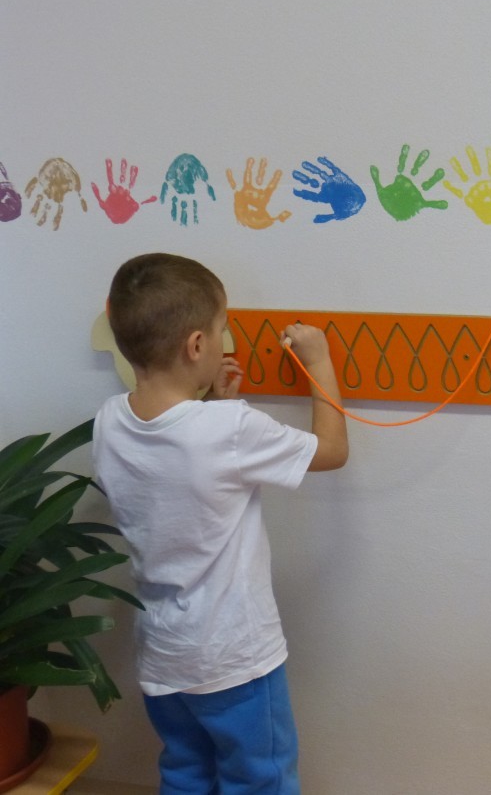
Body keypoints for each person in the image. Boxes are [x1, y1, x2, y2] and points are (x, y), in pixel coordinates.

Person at [92, 252, 349, 795]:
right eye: (221, 329)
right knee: (260, 779)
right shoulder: (228, 429)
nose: (225, 339)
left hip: (164, 658)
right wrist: (320, 362)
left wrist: (210, 401)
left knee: (186, 772)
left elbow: (173, 469)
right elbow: (331, 451)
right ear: (196, 346)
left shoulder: (109, 421)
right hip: (234, 658)